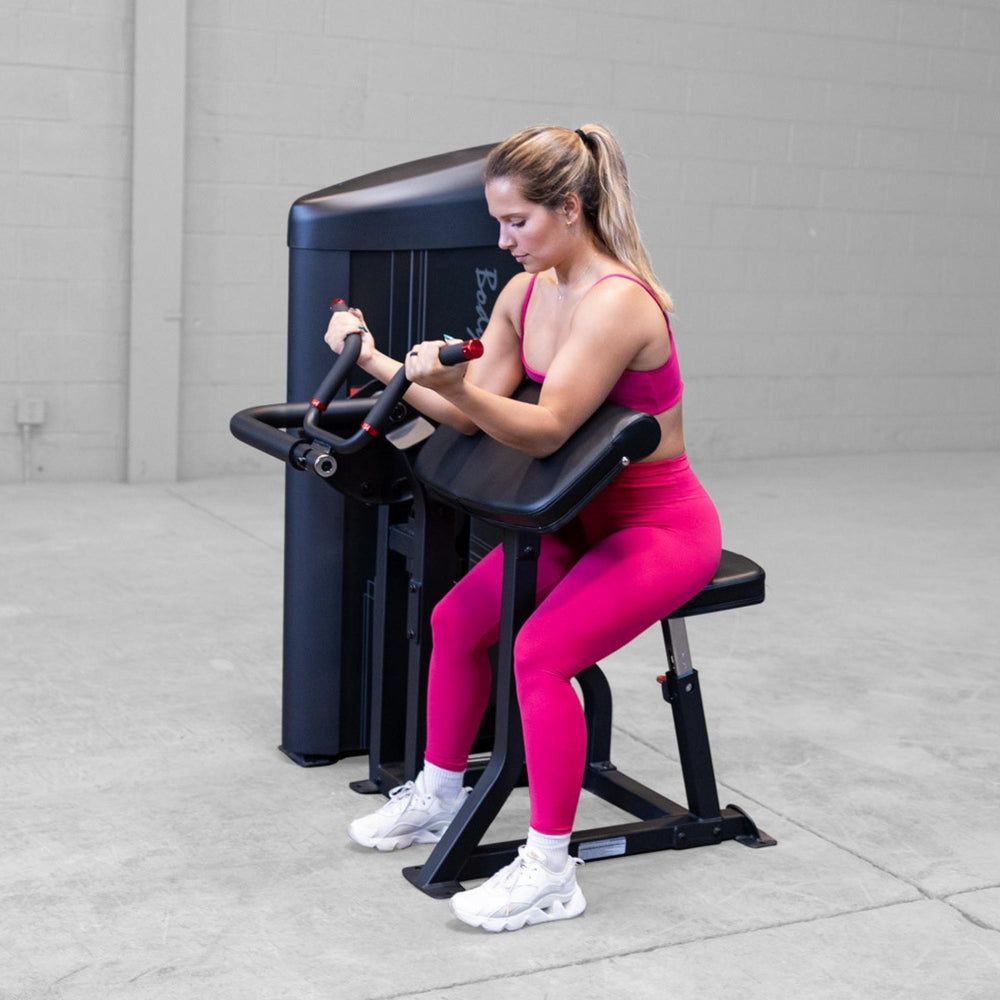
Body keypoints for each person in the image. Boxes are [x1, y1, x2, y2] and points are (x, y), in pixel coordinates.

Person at [324, 124, 722, 932]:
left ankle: (549, 870)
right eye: (498, 223)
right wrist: (375, 361)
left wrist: (460, 389)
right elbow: (467, 416)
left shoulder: (617, 303)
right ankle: (440, 794)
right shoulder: (525, 293)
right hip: (573, 520)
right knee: (456, 622)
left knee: (538, 657)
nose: (503, 241)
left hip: (658, 529)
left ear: (570, 207)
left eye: (517, 222)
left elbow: (543, 430)